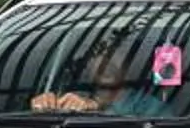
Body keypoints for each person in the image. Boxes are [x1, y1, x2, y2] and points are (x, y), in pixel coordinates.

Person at [29, 40, 172, 118]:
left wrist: (96, 111)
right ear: (88, 66)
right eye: (99, 53)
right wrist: (44, 108)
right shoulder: (70, 98)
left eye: (113, 53)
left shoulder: (151, 108)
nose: (105, 61)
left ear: (129, 65)